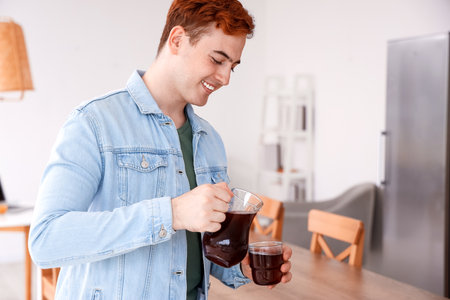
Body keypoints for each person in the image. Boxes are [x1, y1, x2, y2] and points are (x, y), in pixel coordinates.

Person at [28, 0, 292, 299]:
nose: (226, 78)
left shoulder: (210, 140)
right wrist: (171, 213)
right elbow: (46, 240)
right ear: (178, 40)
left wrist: (238, 265)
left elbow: (199, 248)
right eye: (218, 60)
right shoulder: (95, 122)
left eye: (233, 66)